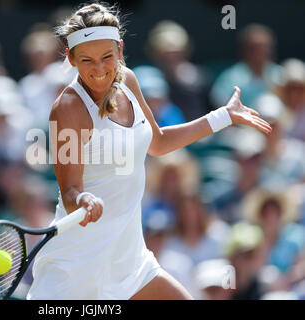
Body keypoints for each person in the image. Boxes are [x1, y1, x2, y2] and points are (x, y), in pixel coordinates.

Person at [27, 3, 271, 300]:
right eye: (88, 60)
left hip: (130, 258)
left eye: (107, 57)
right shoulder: (67, 109)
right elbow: (69, 191)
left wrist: (223, 116)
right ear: (71, 58)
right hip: (77, 267)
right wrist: (82, 198)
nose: (100, 69)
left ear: (120, 49)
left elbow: (158, 142)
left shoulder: (128, 80)